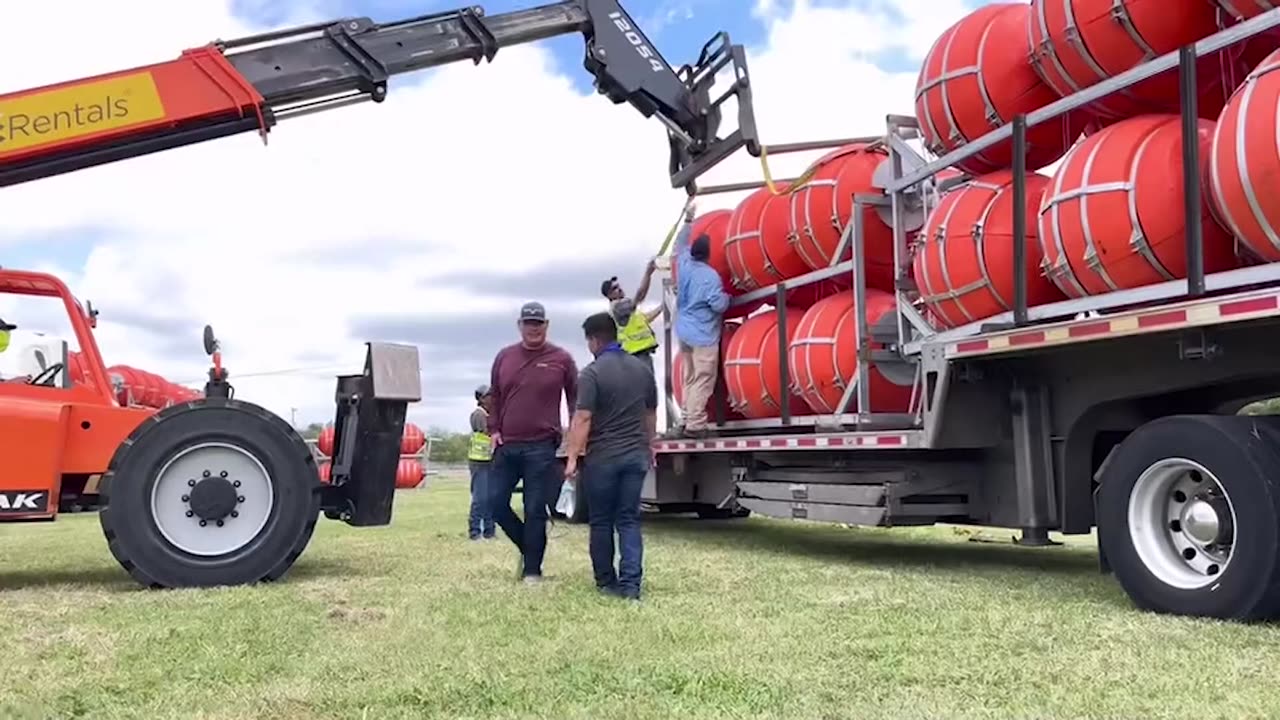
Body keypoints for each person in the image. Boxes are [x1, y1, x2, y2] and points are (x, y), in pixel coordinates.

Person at [564, 312, 657, 601]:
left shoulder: (591, 373)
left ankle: (606, 582)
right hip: (635, 456)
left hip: (603, 458)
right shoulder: (642, 370)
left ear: (593, 340)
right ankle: (631, 586)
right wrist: (649, 445)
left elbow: (583, 417)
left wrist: (571, 458)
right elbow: (650, 413)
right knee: (628, 520)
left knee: (602, 521)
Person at [487, 301, 578, 584]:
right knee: (493, 502)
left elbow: (576, 399)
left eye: (538, 324)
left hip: (541, 446)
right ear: (520, 325)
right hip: (507, 444)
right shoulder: (504, 357)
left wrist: (576, 438)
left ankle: (532, 571)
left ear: (546, 326)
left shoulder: (561, 359)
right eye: (528, 323)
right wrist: (493, 430)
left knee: (535, 508)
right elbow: (495, 395)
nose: (533, 328)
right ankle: (529, 548)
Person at [672, 200, 730, 437]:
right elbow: (718, 304)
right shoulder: (709, 277)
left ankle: (686, 419)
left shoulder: (684, 262)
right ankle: (696, 425)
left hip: (684, 331)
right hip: (703, 335)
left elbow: (679, 243)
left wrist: (687, 220)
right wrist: (728, 297)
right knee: (703, 378)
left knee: (689, 376)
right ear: (708, 255)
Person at [601, 271, 662, 373]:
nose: (619, 289)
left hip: (641, 353)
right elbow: (640, 296)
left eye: (618, 286)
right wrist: (648, 273)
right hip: (635, 354)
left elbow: (647, 318)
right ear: (609, 295)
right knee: (645, 385)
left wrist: (663, 306)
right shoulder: (618, 307)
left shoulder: (627, 308)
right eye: (614, 289)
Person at [466, 384, 496, 540]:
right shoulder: (479, 415)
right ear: (482, 399)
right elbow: (488, 432)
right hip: (479, 462)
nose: (493, 398)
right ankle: (475, 531)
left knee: (491, 497)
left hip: (489, 461)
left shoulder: (490, 414)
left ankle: (490, 531)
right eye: (489, 395)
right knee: (480, 498)